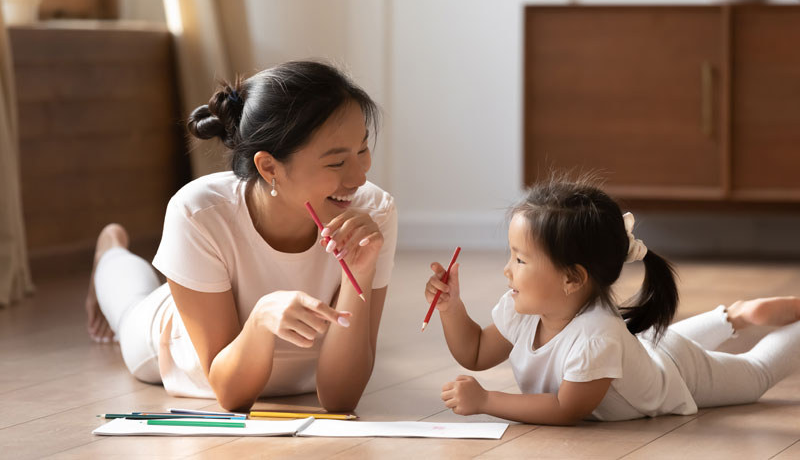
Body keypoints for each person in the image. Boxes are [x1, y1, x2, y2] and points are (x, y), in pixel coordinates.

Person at [84, 60, 397, 412]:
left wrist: (361, 272)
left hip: (299, 377)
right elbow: (231, 394)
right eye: (337, 163)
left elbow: (341, 399)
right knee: (129, 306)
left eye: (362, 150)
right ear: (269, 167)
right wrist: (261, 319)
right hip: (178, 347)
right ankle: (109, 251)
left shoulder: (373, 211)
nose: (358, 177)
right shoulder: (199, 212)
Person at [424, 177, 800, 424]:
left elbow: (566, 408)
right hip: (647, 347)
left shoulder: (596, 337)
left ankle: (742, 318)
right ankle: (734, 316)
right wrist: (450, 306)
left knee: (756, 374)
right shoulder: (525, 308)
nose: (507, 270)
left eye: (520, 260)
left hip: (677, 371)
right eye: (511, 255)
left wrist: (487, 400)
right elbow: (474, 352)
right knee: (662, 345)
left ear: (572, 278)